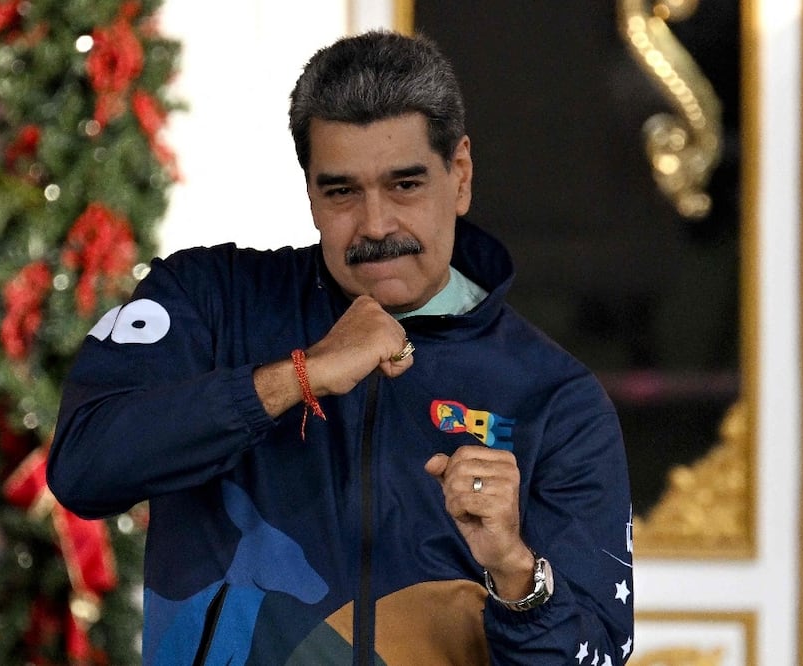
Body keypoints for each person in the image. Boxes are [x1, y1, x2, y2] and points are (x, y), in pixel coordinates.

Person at [48, 29, 634, 665]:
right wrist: (296, 377)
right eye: (342, 191)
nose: (376, 224)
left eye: (405, 185)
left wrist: (516, 572)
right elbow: (83, 467)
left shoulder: (556, 398)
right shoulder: (211, 300)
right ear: (310, 192)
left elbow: (598, 651)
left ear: (459, 175)